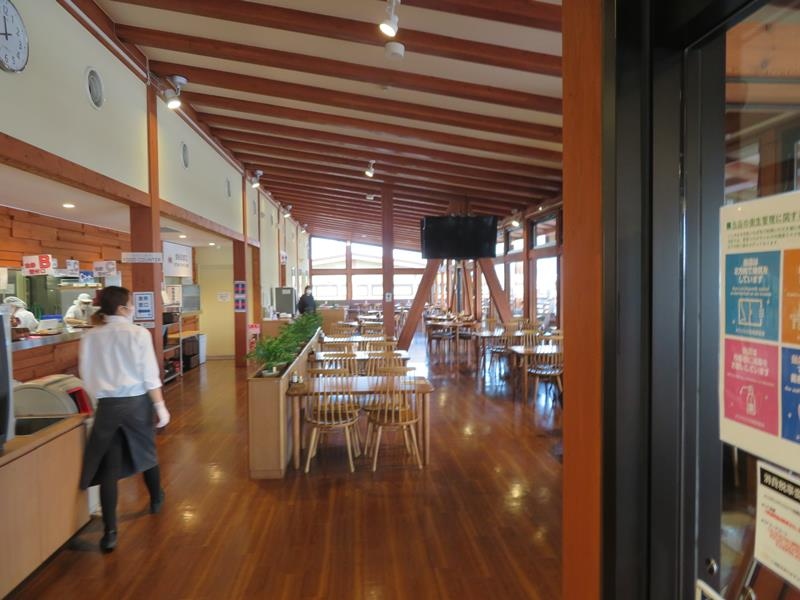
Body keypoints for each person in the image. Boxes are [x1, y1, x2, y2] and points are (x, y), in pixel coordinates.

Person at [78, 286, 170, 553]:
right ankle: (156, 499)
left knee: (110, 468)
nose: (133, 307)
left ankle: (110, 533)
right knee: (147, 452)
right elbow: (149, 375)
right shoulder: (138, 334)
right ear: (122, 308)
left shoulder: (90, 336)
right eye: (131, 303)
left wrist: (102, 398)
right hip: (136, 404)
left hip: (107, 406)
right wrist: (160, 406)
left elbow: (87, 376)